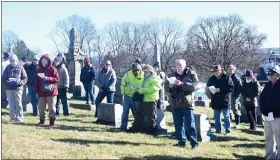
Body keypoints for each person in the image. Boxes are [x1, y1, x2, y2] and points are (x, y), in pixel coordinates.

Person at [166, 59, 199, 149]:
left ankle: (194, 143)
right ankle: (181, 141)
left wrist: (182, 84)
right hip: (175, 103)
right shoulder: (171, 75)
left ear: (185, 66)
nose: (178, 68)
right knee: (178, 124)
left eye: (180, 66)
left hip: (187, 103)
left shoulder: (191, 74)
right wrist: (170, 86)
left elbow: (194, 86)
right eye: (177, 66)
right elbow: (166, 89)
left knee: (190, 125)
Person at [206, 64, 233, 135]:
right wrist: (210, 91)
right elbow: (208, 87)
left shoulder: (227, 77)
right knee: (216, 117)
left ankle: (228, 130)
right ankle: (218, 130)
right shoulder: (212, 79)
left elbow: (230, 88)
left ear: (221, 70)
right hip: (215, 100)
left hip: (224, 100)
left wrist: (220, 90)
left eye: (216, 71)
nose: (215, 73)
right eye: (214, 72)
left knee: (226, 116)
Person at [259, 66, 280, 160]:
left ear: (277, 75)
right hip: (267, 116)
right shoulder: (268, 85)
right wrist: (264, 110)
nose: (270, 76)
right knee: (268, 138)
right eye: (269, 74)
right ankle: (270, 157)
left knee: (278, 138)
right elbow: (262, 98)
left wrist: (272, 110)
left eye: (272, 74)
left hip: (277, 116)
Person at [35, 54, 59, 127]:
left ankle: (52, 122)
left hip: (51, 92)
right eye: (42, 61)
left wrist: (48, 78)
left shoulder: (53, 69)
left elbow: (57, 79)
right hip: (41, 92)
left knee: (51, 108)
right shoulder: (39, 69)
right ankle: (42, 121)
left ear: (48, 61)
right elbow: (36, 81)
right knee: (41, 108)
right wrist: (36, 91)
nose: (44, 62)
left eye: (45, 61)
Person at [2, 54, 27, 122]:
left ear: (17, 60)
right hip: (9, 88)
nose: (13, 62)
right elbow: (4, 78)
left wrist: (20, 82)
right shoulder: (7, 67)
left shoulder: (21, 67)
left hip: (18, 88)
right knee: (11, 103)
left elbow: (25, 78)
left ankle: (20, 118)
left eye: (14, 61)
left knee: (18, 103)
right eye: (11, 61)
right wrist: (7, 82)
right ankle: (12, 118)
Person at [120, 63, 144, 130]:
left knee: (137, 112)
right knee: (125, 112)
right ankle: (123, 126)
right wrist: (123, 92)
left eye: (137, 70)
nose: (136, 72)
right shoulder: (127, 74)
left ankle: (137, 126)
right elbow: (123, 84)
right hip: (127, 96)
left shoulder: (143, 75)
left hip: (137, 96)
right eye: (134, 71)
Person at [227, 64, 242, 128]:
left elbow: (240, 88)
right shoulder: (226, 77)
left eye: (231, 69)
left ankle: (237, 123)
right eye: (229, 69)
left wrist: (236, 97)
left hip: (234, 96)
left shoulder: (236, 78)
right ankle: (229, 122)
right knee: (228, 110)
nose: (230, 71)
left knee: (235, 110)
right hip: (227, 96)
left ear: (234, 70)